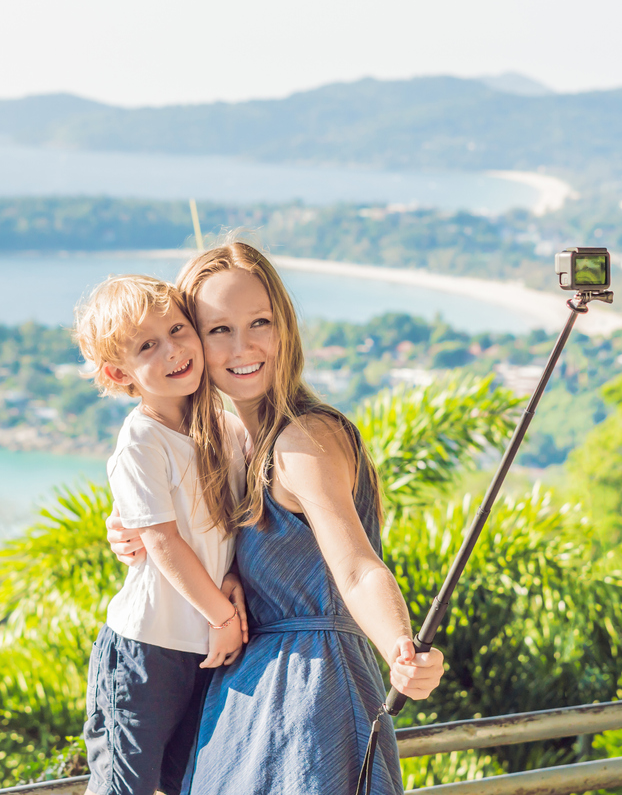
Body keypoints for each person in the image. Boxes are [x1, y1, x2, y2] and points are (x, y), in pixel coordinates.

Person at [105, 243, 446, 794]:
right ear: (191, 342)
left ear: (284, 327)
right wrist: (131, 528)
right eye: (218, 330)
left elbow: (357, 568)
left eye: (259, 322)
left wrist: (402, 650)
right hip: (245, 696)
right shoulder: (229, 442)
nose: (243, 346)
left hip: (313, 693)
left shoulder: (303, 438)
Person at [72, 274, 250, 795]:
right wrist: (220, 615)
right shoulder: (141, 438)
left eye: (177, 329)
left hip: (205, 648)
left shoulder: (225, 429)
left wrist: (233, 579)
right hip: (145, 650)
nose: (173, 350)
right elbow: (163, 541)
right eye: (148, 345)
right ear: (117, 372)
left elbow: (225, 526)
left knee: (190, 784)